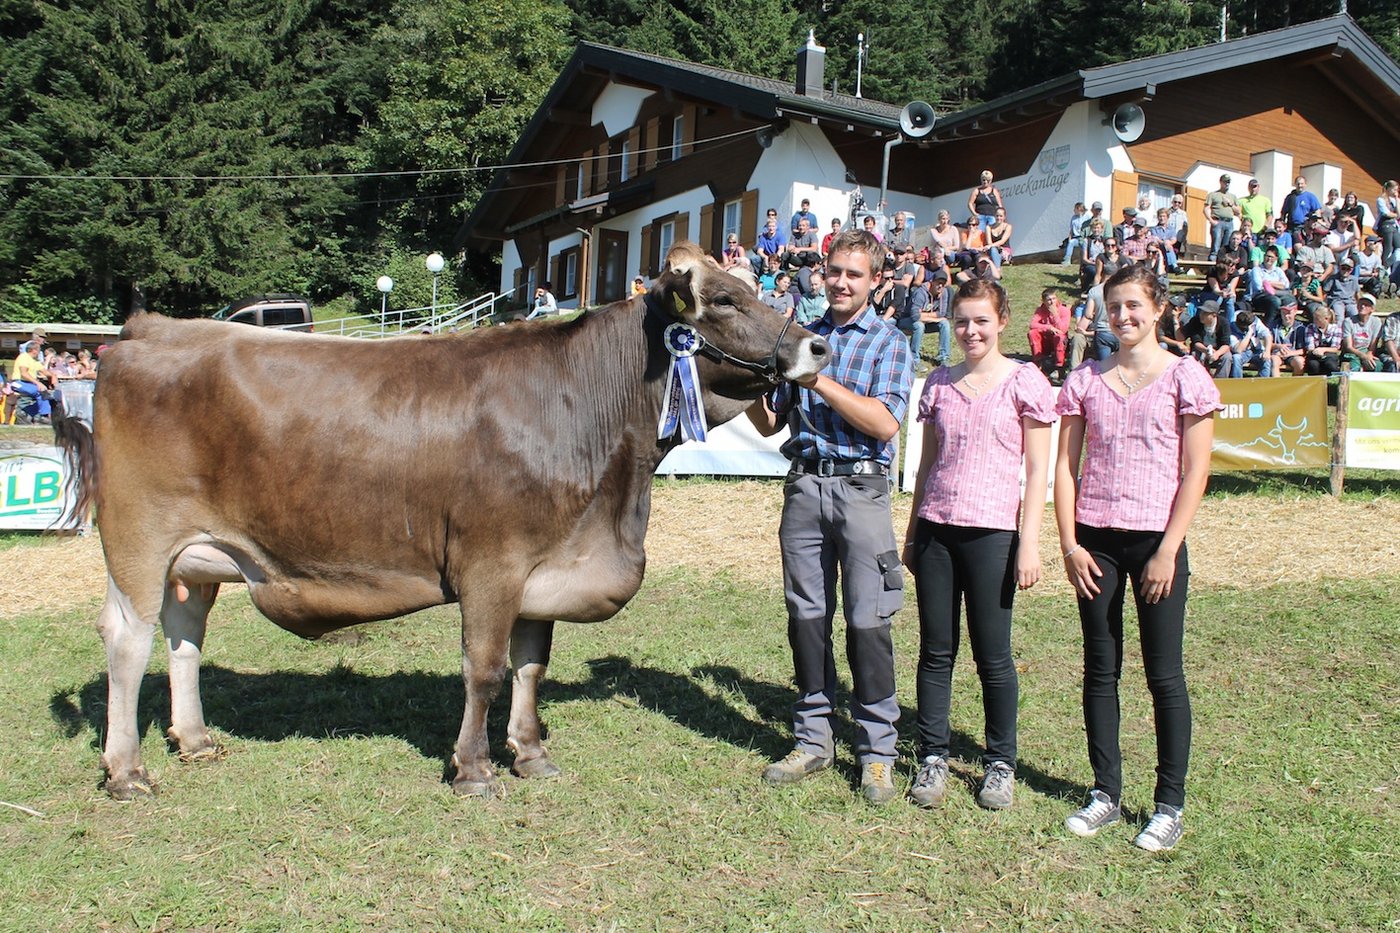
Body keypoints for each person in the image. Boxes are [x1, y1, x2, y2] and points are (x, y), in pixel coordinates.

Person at [1055, 263, 1220, 852]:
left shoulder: (1187, 377)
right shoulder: (1084, 380)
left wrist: (1168, 550)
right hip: (1095, 543)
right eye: (1114, 306)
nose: (1123, 317)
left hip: (1157, 544)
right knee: (1101, 669)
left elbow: (1197, 471)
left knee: (1164, 674)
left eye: (1133, 306)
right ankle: (1105, 792)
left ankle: (1168, 805)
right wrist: (1070, 544)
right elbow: (1065, 470)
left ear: (1158, 308)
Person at [747, 229, 914, 806]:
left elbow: (884, 423)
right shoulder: (803, 336)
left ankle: (877, 753)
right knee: (807, 618)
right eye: (834, 271)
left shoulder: (890, 343)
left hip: (862, 490)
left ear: (875, 282)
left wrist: (816, 378)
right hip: (804, 489)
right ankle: (813, 739)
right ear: (823, 272)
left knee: (869, 622)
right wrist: (753, 375)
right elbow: (770, 424)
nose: (841, 282)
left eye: (854, 274)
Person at [903, 279, 1054, 811]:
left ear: (1002, 321)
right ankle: (933, 755)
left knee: (993, 656)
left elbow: (1038, 472)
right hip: (938, 531)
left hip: (994, 535)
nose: (971, 330)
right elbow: (925, 467)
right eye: (962, 320)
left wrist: (1030, 543)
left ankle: (999, 763)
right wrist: (913, 532)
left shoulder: (1024, 382)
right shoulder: (938, 383)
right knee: (935, 651)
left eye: (981, 320)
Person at [1028, 287, 1072, 379]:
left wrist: (1055, 314)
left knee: (1059, 337)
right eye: (1049, 300)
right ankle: (1038, 363)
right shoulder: (1041, 310)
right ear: (1044, 301)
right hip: (1046, 340)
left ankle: (1059, 367)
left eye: (1054, 299)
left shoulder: (1064, 310)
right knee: (1032, 333)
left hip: (1060, 341)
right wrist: (1049, 327)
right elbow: (1032, 324)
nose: (1052, 302)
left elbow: (1063, 329)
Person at [1182, 300, 1232, 376]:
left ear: (1214, 315)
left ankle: (1221, 381)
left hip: (1217, 350)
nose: (1201, 315)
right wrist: (1207, 351)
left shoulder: (1223, 323)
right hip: (1201, 349)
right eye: (1201, 312)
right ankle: (1197, 378)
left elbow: (1226, 344)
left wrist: (1217, 354)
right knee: (1194, 355)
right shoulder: (1195, 321)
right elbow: (1196, 342)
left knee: (1227, 357)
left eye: (1205, 313)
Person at [1342, 293, 1383, 372]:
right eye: (1361, 304)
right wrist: (1363, 356)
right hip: (1352, 352)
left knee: (1376, 365)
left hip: (1367, 351)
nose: (1362, 306)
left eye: (1366, 305)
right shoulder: (1348, 321)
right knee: (1354, 366)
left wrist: (1369, 354)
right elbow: (1348, 347)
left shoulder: (1376, 322)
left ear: (1372, 309)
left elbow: (1373, 344)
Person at [1270, 297, 1308, 376]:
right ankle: (1277, 386)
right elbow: (1267, 344)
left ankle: (1294, 386)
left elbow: (1304, 350)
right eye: (1283, 313)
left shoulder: (1301, 328)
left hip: (1293, 354)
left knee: (1300, 362)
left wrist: (1291, 353)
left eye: (1289, 313)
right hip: (1277, 354)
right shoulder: (1273, 325)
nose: (1286, 316)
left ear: (1295, 312)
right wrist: (1278, 346)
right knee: (1274, 360)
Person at [1230, 310, 1273, 378]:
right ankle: (1237, 383)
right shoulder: (1231, 329)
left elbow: (1267, 334)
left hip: (1256, 351)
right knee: (1236, 358)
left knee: (1266, 359)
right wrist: (1249, 333)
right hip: (1243, 353)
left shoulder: (1254, 320)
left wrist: (1267, 351)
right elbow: (1238, 350)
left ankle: (1263, 384)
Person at [1303, 304, 1343, 375]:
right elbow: (1310, 347)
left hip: (1329, 354)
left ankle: (1326, 383)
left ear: (1326, 319)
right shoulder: (1310, 328)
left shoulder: (1336, 328)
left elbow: (1335, 348)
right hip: (1314, 354)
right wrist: (1316, 351)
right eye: (1314, 318)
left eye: (1317, 319)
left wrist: (1323, 350)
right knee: (1313, 365)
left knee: (1330, 365)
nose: (1314, 321)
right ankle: (1315, 383)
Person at [1281, 175, 1322, 239]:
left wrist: (1316, 224)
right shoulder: (1290, 197)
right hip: (1290, 227)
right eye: (1298, 184)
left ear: (1305, 184)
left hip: (1304, 227)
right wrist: (1282, 225)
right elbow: (1283, 213)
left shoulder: (1311, 197)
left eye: (1302, 184)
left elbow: (1317, 211)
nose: (1300, 186)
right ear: (1295, 185)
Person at [1374, 180, 1399, 273]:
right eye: (1394, 190)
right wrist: (1396, 215)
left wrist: (1397, 199)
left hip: (1394, 225)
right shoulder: (1381, 200)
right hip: (1385, 224)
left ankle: (1386, 265)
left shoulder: (1393, 200)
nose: (1395, 192)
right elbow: (1386, 213)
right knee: (1388, 248)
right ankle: (1385, 268)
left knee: (1398, 247)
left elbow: (1399, 213)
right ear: (1388, 189)